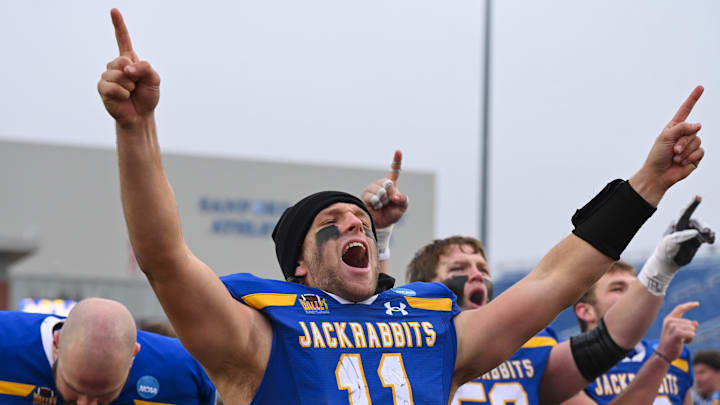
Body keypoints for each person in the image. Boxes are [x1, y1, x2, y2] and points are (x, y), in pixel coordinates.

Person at [98, 8, 705, 404]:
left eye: (358, 221)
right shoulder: (259, 338)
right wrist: (137, 129)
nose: (352, 226)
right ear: (300, 267)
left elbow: (554, 277)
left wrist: (648, 184)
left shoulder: (435, 333)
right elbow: (165, 259)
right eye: (330, 227)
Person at [401, 198, 710, 405]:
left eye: (483, 268)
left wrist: (661, 269)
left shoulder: (532, 347)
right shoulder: (405, 344)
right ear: (425, 287)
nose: (476, 276)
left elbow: (607, 340)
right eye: (458, 269)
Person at [559, 201, 715, 405]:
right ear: (585, 311)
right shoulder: (563, 366)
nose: (633, 295)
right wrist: (661, 359)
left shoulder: (678, 355)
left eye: (635, 287)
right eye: (617, 288)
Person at [0, 298, 215, 405]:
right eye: (75, 387)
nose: (86, 404)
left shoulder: (183, 373)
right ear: (57, 343)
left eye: (103, 394)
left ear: (133, 356)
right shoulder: (7, 343)